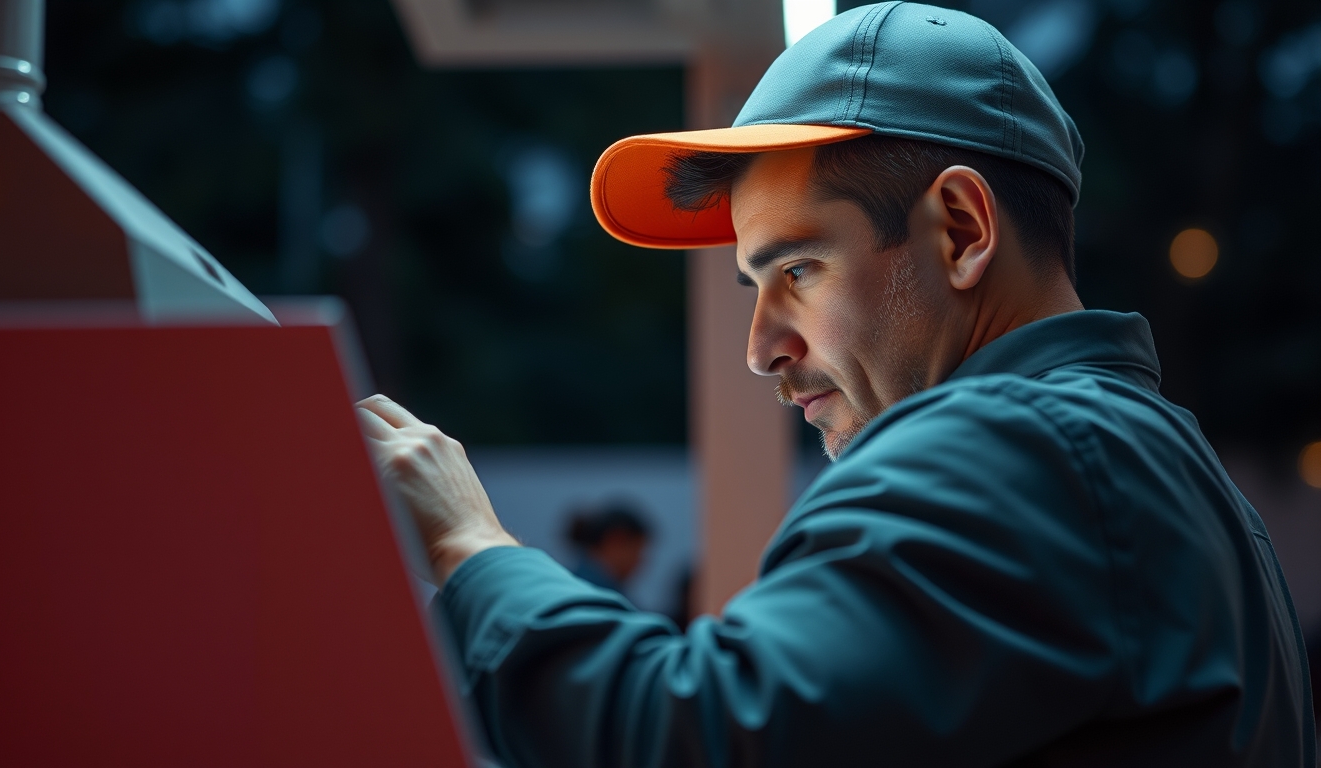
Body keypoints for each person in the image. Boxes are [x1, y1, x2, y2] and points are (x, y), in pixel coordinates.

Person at [354, 3, 1315, 765]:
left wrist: (466, 543)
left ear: (963, 232)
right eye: (753, 286)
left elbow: (691, 737)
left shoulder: (1021, 447)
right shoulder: (1157, 465)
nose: (761, 346)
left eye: (798, 272)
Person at [565, 501, 652, 597]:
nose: (641, 561)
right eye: (637, 551)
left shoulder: (569, 583)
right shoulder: (601, 596)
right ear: (615, 540)